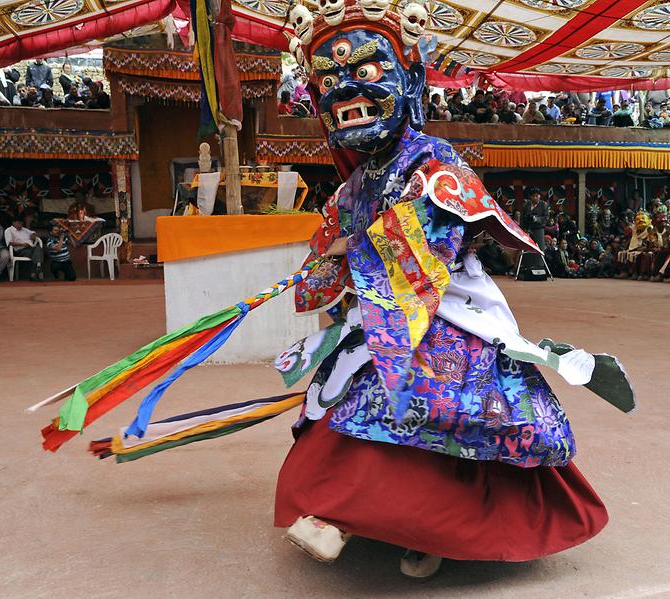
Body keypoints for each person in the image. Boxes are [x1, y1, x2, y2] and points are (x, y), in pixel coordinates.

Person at [69, 2, 635, 580]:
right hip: (379, 314)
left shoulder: (435, 161)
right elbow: (324, 266)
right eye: (329, 80)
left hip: (449, 314)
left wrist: (354, 250)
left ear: (410, 79)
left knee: (416, 400)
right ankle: (381, 522)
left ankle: (407, 526)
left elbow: (436, 231)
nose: (344, 89)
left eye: (365, 72)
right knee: (350, 398)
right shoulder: (352, 187)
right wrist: (317, 269)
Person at [5, 215, 43, 280]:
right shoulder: (9, 230)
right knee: (37, 252)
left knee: (38, 248)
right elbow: (10, 243)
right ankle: (37, 269)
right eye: (19, 223)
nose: (20, 225)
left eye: (21, 223)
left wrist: (33, 235)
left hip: (30, 248)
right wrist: (22, 244)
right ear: (13, 223)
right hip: (19, 250)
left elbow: (33, 232)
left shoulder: (24, 229)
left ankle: (36, 269)